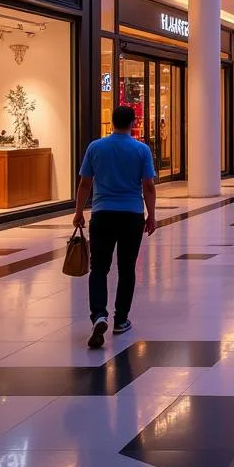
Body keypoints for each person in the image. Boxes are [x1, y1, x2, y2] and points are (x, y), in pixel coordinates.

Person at [72, 105, 156, 348]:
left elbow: (85, 183)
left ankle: (99, 314)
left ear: (111, 121)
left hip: (102, 214)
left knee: (99, 268)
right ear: (133, 122)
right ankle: (121, 319)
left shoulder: (96, 147)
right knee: (127, 268)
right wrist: (151, 215)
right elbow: (148, 186)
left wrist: (78, 212)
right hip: (131, 215)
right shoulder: (141, 150)